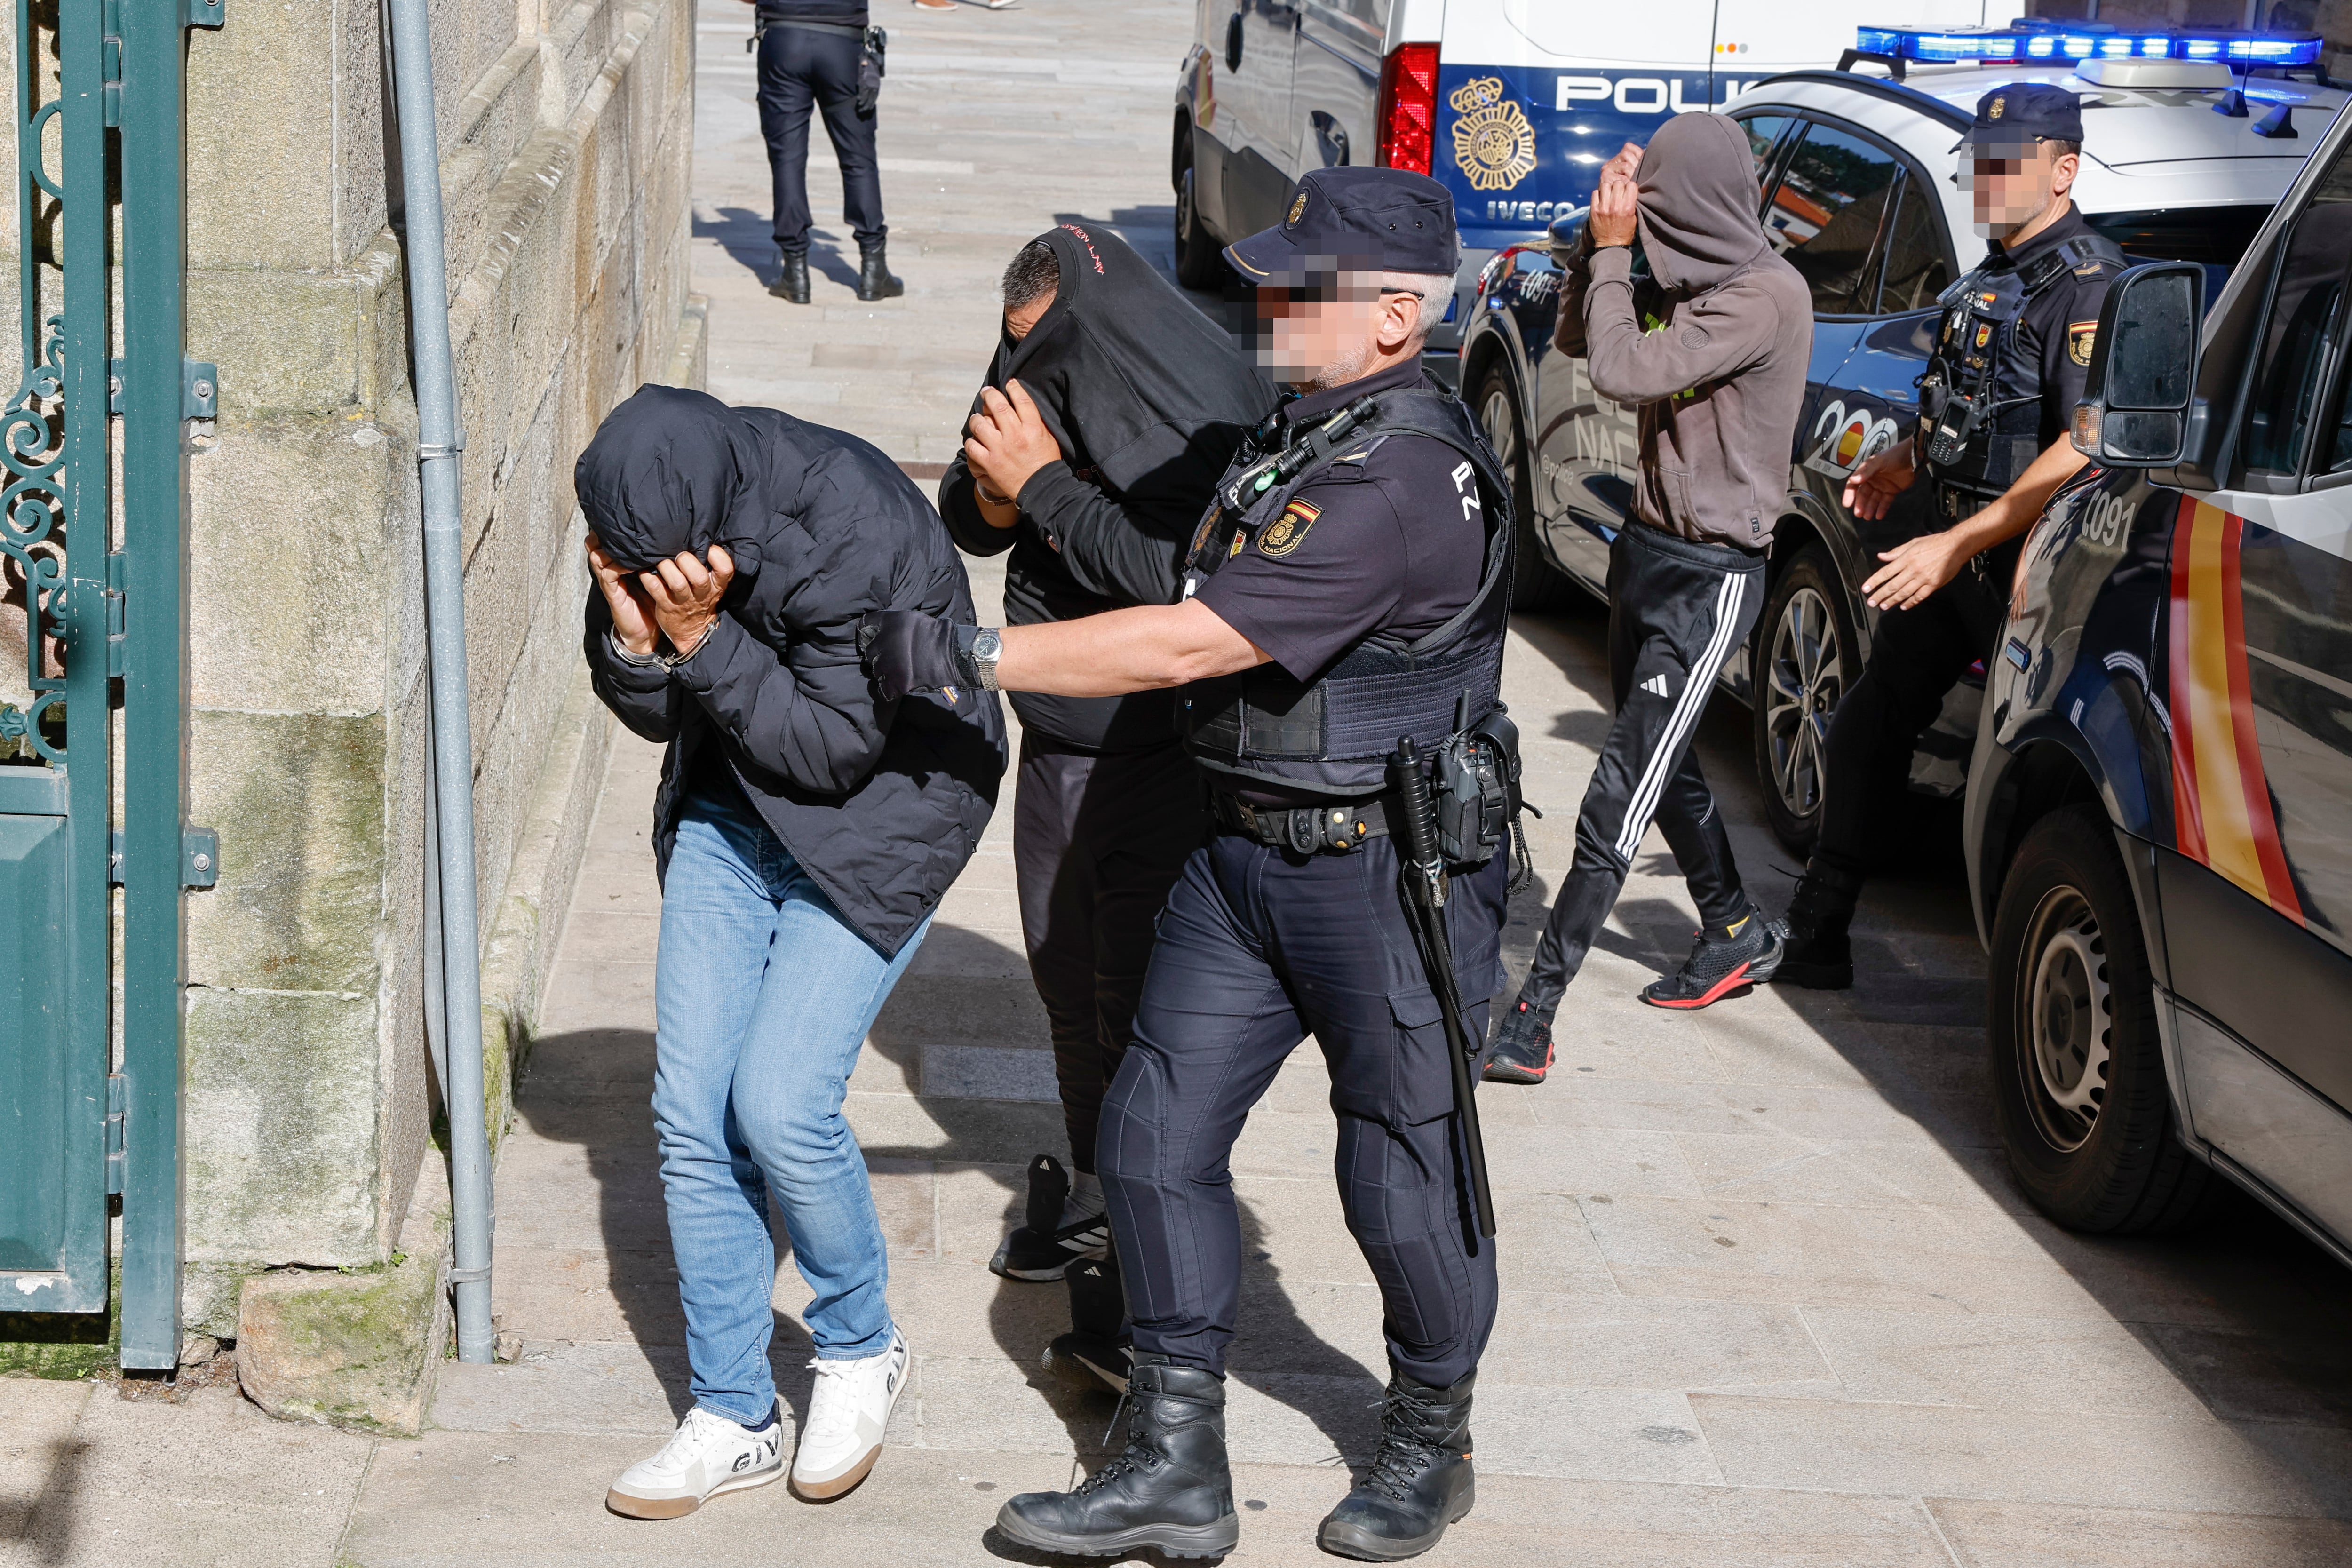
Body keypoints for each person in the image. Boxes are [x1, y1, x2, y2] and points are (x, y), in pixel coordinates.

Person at [865, 166, 1516, 1563]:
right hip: (1242, 857)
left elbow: (1187, 637)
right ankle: (1169, 1463)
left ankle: (1426, 1436)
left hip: (1384, 880)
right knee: (1151, 1145)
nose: (1270, 306)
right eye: (1270, 280)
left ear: (1396, 312)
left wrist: (974, 654)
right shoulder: (1301, 429)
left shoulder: (1401, 479)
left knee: (1399, 1173)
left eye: (1304, 288)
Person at [579, 385, 1004, 1518]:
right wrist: (635, 641)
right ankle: (733, 1411)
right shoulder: (651, 524)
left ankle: (860, 1344)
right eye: (627, 570)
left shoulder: (851, 520)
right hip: (733, 806)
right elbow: (659, 711)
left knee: (780, 1103)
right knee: (690, 1110)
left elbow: (826, 752)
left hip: (884, 816)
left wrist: (702, 638)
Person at [938, 226, 1272, 1382]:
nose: (1025, 371)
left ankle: (1144, 1280)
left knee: (1133, 1001)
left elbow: (1189, 594)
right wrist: (999, 488)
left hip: (1161, 754)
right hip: (1058, 737)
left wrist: (1044, 487)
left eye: (1042, 351)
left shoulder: (1193, 407)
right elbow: (963, 511)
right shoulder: (1042, 361)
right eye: (1013, 351)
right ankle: (1088, 1190)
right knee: (1062, 974)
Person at [1483, 113, 1814, 1086]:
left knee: (1617, 793)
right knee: (1661, 765)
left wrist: (1624, 250)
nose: (1648, 233)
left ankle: (1534, 1010)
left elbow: (1627, 370)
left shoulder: (1763, 298)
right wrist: (1600, 247)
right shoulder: (1692, 282)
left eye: (1660, 213)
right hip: (1647, 549)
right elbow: (1586, 338)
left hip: (1711, 579)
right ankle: (1736, 930)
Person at [1776, 85, 2118, 990]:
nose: (1988, 178)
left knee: (2018, 766)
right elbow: (1976, 407)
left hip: (2027, 565)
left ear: (2064, 169)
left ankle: (2022, 987)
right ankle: (1818, 928)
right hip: (1957, 535)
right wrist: (1906, 453)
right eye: (1983, 160)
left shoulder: (2087, 287)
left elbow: (2081, 443)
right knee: (1874, 712)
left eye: (2009, 162)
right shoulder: (1992, 276)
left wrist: (1962, 543)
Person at [748, 0, 902, 304]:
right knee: (858, 159)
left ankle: (795, 271)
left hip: (783, 39)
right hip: (842, 44)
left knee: (787, 161)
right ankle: (873, 268)